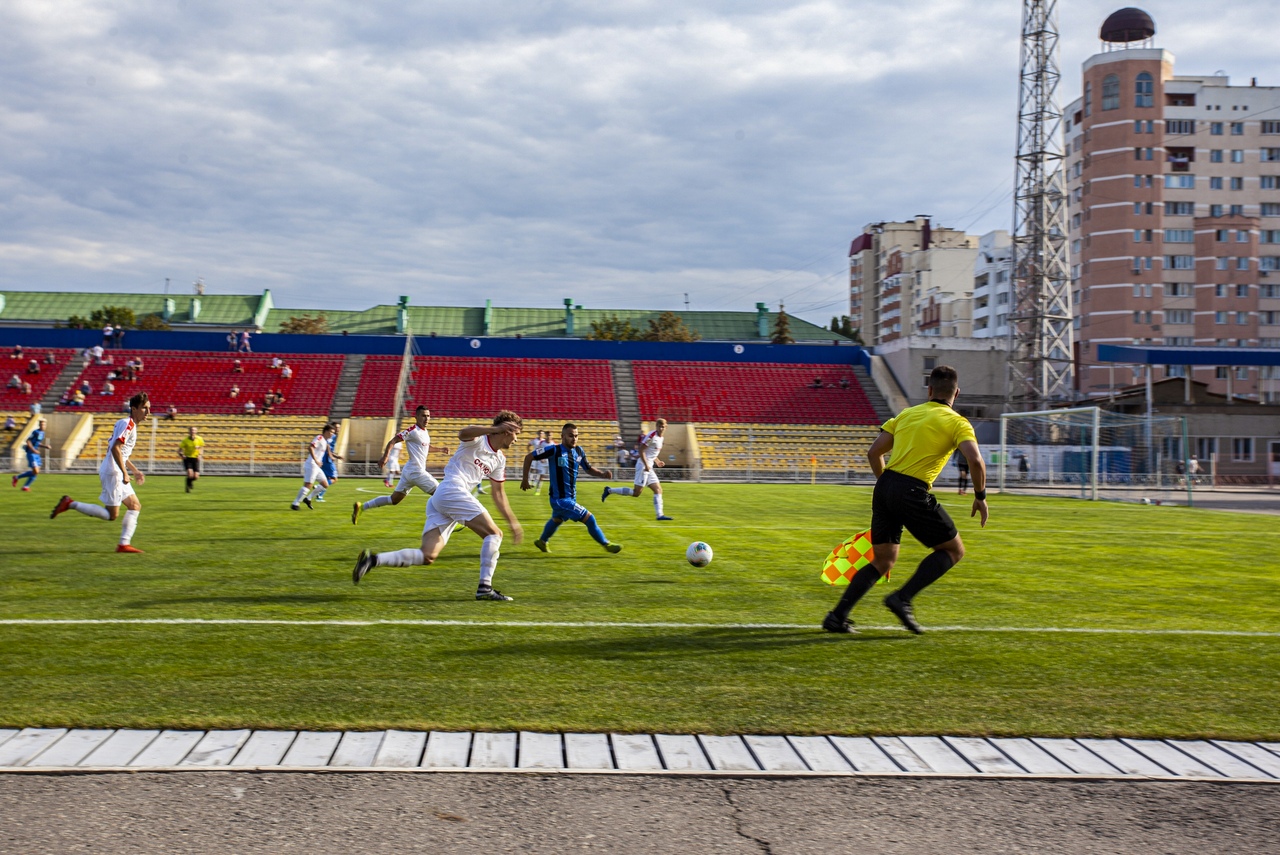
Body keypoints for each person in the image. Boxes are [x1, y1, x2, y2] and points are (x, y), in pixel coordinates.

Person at [822, 365, 988, 636]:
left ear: (930, 390)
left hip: (885, 486)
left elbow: (874, 452)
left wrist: (886, 486)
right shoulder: (957, 422)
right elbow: (975, 460)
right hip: (912, 490)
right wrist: (980, 496)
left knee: (883, 559)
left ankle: (836, 616)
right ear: (956, 393)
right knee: (953, 551)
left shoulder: (907, 414)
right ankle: (902, 598)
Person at [352, 411, 524, 602]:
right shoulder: (479, 440)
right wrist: (495, 428)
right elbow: (463, 433)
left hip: (444, 499)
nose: (516, 439)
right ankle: (485, 588)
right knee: (494, 534)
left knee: (427, 556)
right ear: (507, 430)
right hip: (452, 490)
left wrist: (513, 522)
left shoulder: (499, 460)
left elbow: (498, 494)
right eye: (516, 433)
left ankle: (372, 560)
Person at [50, 392, 151, 553]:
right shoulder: (128, 425)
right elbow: (115, 448)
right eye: (145, 408)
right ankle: (70, 503)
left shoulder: (127, 424)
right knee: (111, 515)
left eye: (149, 408)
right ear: (134, 408)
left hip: (115, 470)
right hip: (114, 472)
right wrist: (125, 473)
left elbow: (120, 451)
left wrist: (134, 470)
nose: (148, 412)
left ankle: (124, 544)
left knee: (135, 505)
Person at [523, 423, 621, 554]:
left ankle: (542, 541)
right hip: (560, 499)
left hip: (570, 497)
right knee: (590, 519)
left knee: (557, 520)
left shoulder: (579, 451)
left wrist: (602, 474)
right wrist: (525, 479)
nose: (574, 438)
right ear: (562, 436)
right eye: (570, 436)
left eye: (576, 436)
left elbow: (588, 469)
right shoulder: (554, 450)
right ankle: (606, 544)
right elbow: (529, 457)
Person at [353, 405, 447, 523]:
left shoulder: (425, 432)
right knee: (441, 493)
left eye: (428, 416)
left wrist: (440, 450)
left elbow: (426, 448)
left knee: (394, 500)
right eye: (423, 416)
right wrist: (385, 456)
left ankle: (362, 507)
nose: (426, 418)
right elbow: (393, 441)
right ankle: (452, 521)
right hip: (416, 471)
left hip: (409, 471)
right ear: (416, 416)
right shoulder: (412, 431)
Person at [602, 418, 673, 520]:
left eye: (663, 426)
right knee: (636, 493)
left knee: (658, 489)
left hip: (649, 466)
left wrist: (657, 461)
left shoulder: (661, 438)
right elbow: (641, 450)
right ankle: (609, 490)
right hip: (643, 466)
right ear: (656, 426)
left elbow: (650, 452)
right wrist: (646, 465)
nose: (661, 428)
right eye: (659, 426)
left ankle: (660, 515)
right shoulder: (652, 436)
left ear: (666, 427)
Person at [292, 423, 335, 510]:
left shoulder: (325, 441)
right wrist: (316, 460)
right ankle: (295, 504)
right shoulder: (319, 437)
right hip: (312, 464)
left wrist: (331, 456)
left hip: (317, 466)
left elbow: (327, 450)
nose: (332, 434)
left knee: (325, 484)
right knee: (308, 485)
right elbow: (310, 447)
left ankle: (308, 498)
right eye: (331, 432)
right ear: (326, 431)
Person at [13, 418, 51, 491]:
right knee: (35, 471)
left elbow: (37, 443)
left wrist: (45, 446)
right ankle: (17, 478)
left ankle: (25, 486)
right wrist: (33, 450)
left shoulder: (43, 433)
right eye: (41, 424)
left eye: (44, 424)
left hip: (36, 453)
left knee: (36, 472)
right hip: (31, 453)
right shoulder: (35, 432)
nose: (43, 425)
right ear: (39, 425)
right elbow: (28, 441)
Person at [315, 422, 343, 502]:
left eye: (339, 427)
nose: (338, 429)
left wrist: (335, 455)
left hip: (324, 458)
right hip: (327, 459)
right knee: (334, 478)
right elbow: (327, 446)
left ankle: (319, 496)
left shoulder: (333, 436)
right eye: (336, 427)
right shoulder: (332, 437)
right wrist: (332, 455)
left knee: (327, 478)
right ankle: (318, 487)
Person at [179, 426, 204, 493]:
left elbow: (201, 448)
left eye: (194, 430)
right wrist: (182, 455)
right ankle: (188, 486)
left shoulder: (199, 439)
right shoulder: (185, 440)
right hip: (188, 458)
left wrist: (200, 455)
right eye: (191, 430)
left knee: (196, 477)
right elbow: (180, 450)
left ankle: (189, 481)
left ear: (196, 431)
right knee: (190, 474)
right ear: (189, 431)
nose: (192, 431)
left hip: (195, 458)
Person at [527, 430, 549, 495]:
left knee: (539, 471)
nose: (541, 434)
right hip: (535, 456)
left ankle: (535, 483)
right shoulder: (535, 440)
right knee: (532, 469)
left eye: (542, 433)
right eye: (540, 433)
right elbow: (528, 445)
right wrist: (529, 452)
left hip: (541, 458)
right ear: (538, 434)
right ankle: (530, 480)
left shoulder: (544, 441)